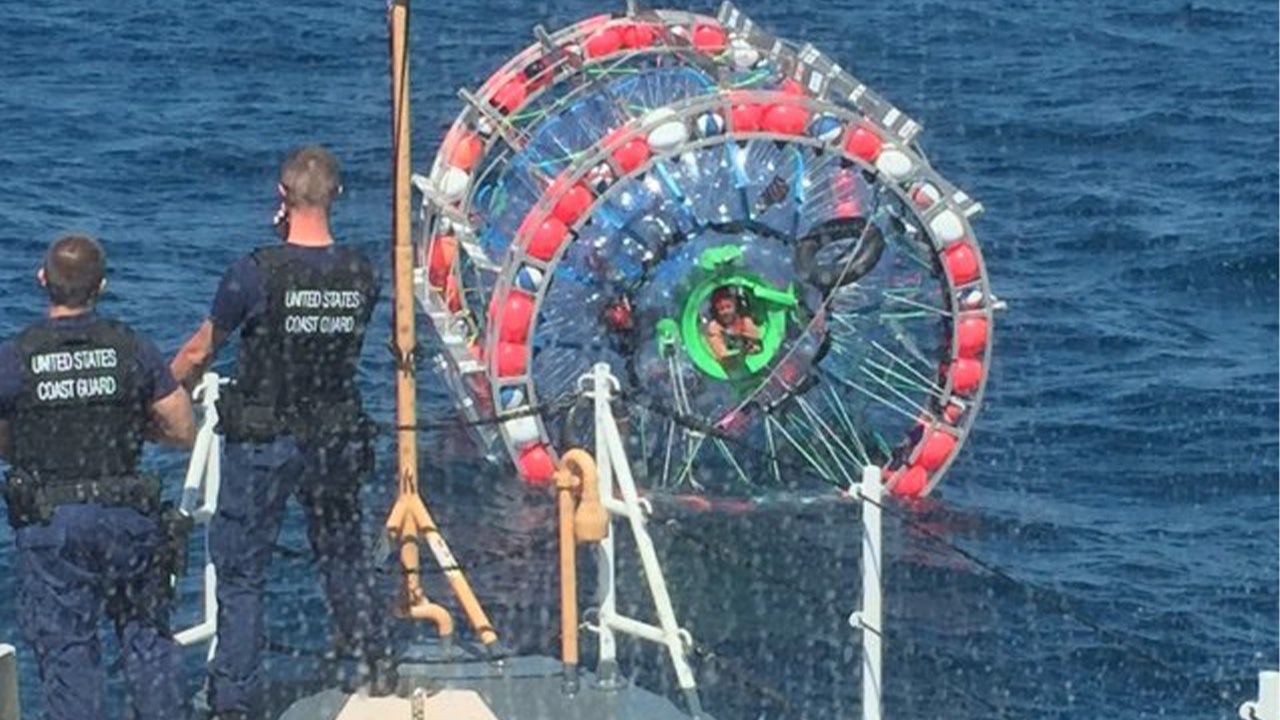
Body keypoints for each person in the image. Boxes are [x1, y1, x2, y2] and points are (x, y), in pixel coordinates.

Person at [169, 145, 393, 719]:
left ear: (282, 196)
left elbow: (200, 349)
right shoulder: (362, 272)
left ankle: (235, 700)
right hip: (335, 437)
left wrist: (159, 393)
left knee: (243, 572)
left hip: (266, 440)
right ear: (336, 195)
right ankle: (375, 661)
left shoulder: (255, 272)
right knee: (343, 554)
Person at [0, 235, 195, 720]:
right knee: (148, 639)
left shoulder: (16, 356)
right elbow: (182, 427)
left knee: (69, 654)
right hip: (128, 515)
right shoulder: (131, 347)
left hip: (54, 525)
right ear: (101, 286)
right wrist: (131, 427)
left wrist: (26, 443)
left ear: (43, 280)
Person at [705, 286, 762, 370]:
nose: (725, 312)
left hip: (753, 362)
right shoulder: (715, 327)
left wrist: (750, 347)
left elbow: (757, 345)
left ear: (735, 306)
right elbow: (722, 355)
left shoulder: (745, 321)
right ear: (716, 312)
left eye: (728, 307)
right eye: (721, 309)